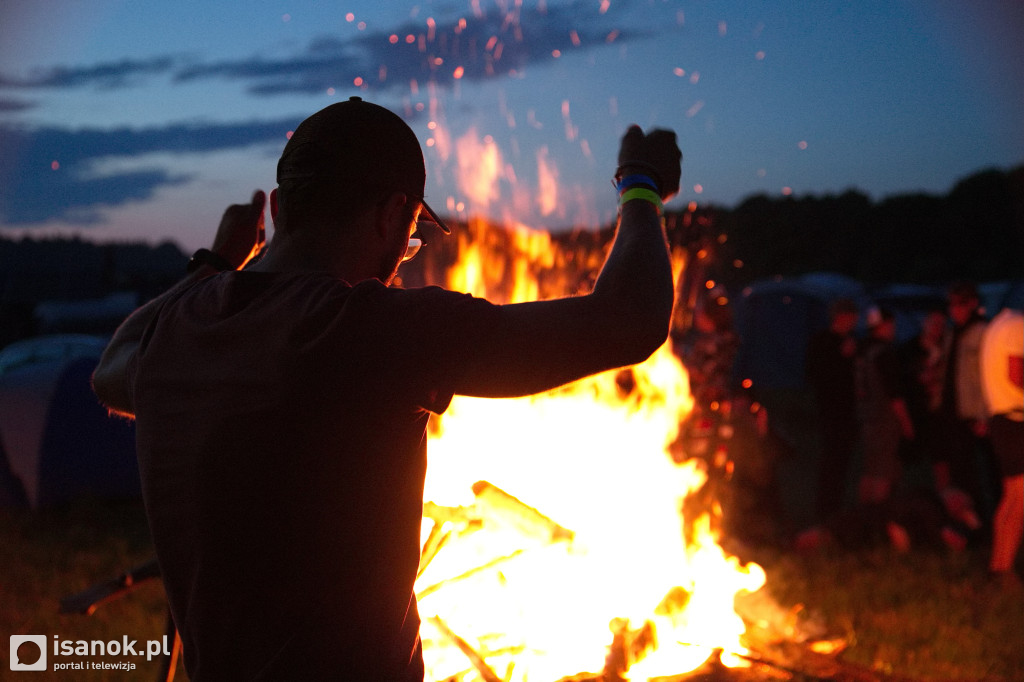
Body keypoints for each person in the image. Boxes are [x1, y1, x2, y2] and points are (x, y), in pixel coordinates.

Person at [90, 97, 681, 681]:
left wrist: (216, 263)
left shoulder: (182, 329)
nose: (404, 256)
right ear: (393, 215)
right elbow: (629, 319)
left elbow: (110, 369)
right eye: (412, 234)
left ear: (277, 207)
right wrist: (641, 186)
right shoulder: (364, 330)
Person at [933, 282, 993, 519]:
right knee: (960, 469)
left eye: (959, 304)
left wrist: (984, 414)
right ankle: (967, 519)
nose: (953, 310)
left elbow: (987, 375)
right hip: (951, 412)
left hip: (974, 412)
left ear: (972, 304)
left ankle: (991, 518)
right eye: (951, 305)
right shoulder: (951, 333)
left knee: (986, 469)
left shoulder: (982, 332)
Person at [804, 298, 860, 523]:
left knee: (841, 461)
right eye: (852, 317)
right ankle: (825, 511)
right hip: (831, 410)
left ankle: (834, 510)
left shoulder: (848, 341)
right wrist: (842, 356)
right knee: (832, 461)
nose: (855, 322)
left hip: (846, 410)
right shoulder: (825, 341)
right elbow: (817, 374)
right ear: (842, 317)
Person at [980, 307, 1024, 591]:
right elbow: (1016, 374)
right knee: (1020, 500)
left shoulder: (997, 325)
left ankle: (997, 568)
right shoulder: (1018, 326)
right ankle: (1005, 571)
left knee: (1010, 497)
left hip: (1000, 418)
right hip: (1016, 418)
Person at [855, 308, 914, 505]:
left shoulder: (862, 352)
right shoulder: (885, 353)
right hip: (885, 421)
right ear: (884, 325)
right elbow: (894, 395)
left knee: (869, 470)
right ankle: (876, 520)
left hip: (866, 418)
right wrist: (907, 425)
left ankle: (862, 518)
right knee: (884, 473)